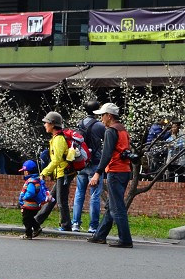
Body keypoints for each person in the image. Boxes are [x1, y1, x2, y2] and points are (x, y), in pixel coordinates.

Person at [86, 103, 134, 248]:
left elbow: (106, 154)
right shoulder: (123, 130)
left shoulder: (110, 131)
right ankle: (100, 235)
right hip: (125, 170)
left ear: (109, 116)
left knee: (117, 207)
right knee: (111, 205)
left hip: (115, 170)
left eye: (102, 115)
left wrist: (97, 173)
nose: (101, 119)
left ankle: (125, 239)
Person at [71, 100, 107, 234]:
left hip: (82, 162)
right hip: (95, 162)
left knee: (79, 193)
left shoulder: (80, 123)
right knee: (95, 195)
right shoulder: (99, 126)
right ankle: (93, 226)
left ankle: (75, 223)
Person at [34, 111, 73, 232]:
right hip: (62, 173)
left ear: (52, 124)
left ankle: (66, 226)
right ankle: (36, 221)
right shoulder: (56, 138)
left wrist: (44, 172)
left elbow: (56, 160)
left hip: (63, 173)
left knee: (61, 201)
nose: (44, 125)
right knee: (51, 199)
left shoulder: (58, 139)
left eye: (46, 122)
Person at [17, 159, 48, 239]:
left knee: (26, 220)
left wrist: (24, 197)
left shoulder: (31, 181)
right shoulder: (37, 179)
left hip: (29, 204)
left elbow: (31, 192)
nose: (24, 173)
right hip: (35, 205)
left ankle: (28, 234)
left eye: (24, 171)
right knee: (30, 218)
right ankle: (37, 228)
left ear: (27, 172)